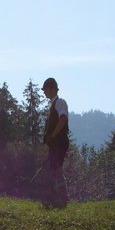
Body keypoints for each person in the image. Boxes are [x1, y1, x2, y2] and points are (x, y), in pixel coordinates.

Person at [42, 77, 69, 205]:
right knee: (53, 169)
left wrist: (52, 135)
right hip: (55, 143)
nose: (44, 92)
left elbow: (63, 119)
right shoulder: (53, 104)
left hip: (59, 142)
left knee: (56, 169)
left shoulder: (60, 102)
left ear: (52, 89)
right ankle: (56, 198)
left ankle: (63, 198)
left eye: (45, 89)